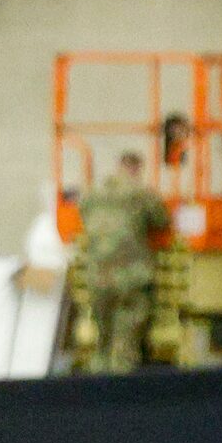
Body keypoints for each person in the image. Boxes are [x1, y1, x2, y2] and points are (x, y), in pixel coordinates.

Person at [76, 150, 169, 373]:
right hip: (130, 277)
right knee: (126, 341)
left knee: (102, 340)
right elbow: (162, 220)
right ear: (137, 168)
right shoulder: (141, 193)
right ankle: (120, 391)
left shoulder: (92, 194)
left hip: (97, 276)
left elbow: (83, 217)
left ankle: (98, 380)